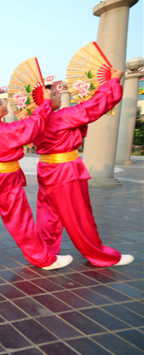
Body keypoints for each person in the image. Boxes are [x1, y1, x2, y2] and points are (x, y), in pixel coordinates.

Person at [0, 89, 72, 270]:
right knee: (20, 220)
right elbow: (33, 125)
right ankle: (43, 259)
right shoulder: (4, 130)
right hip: (4, 180)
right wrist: (45, 103)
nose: (4, 105)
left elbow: (27, 125)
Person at [34, 71, 134, 267]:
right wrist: (112, 81)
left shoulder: (36, 119)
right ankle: (99, 255)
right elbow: (94, 107)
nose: (58, 95)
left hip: (46, 169)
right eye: (54, 94)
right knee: (78, 215)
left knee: (48, 215)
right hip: (65, 171)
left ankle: (47, 254)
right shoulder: (62, 116)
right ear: (45, 100)